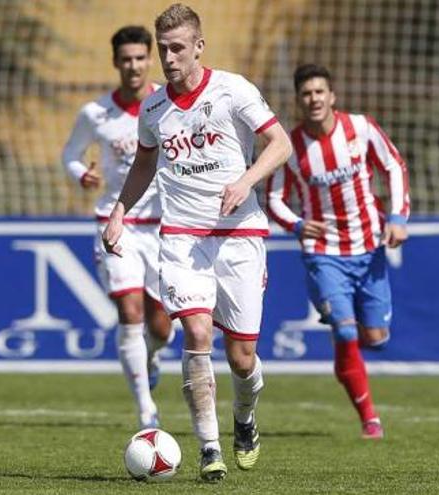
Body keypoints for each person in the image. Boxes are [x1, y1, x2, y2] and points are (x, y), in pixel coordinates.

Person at [102, 3, 292, 482]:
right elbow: (145, 164)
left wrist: (246, 181)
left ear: (199, 47)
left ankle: (244, 420)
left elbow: (280, 144)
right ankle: (209, 448)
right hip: (184, 239)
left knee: (242, 358)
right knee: (197, 334)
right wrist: (120, 212)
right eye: (163, 49)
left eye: (177, 48)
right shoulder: (154, 108)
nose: (168, 58)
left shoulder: (233, 90)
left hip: (240, 237)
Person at [266, 63, 410, 440]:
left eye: (319, 92)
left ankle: (349, 347)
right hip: (323, 252)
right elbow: (275, 199)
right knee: (345, 332)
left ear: (332, 96)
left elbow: (393, 166)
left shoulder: (360, 129)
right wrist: (297, 225)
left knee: (375, 338)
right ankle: (369, 419)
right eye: (306, 94)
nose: (313, 99)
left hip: (369, 246)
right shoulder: (291, 146)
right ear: (299, 101)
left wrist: (397, 216)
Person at [62, 25, 174, 430]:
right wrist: (81, 176)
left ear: (150, 60)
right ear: (115, 62)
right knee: (129, 311)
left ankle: (152, 353)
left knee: (162, 326)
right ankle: (147, 410)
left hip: (164, 228)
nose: (133, 66)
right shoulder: (95, 113)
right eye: (126, 59)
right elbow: (70, 154)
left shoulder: (169, 103)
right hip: (117, 222)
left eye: (140, 58)